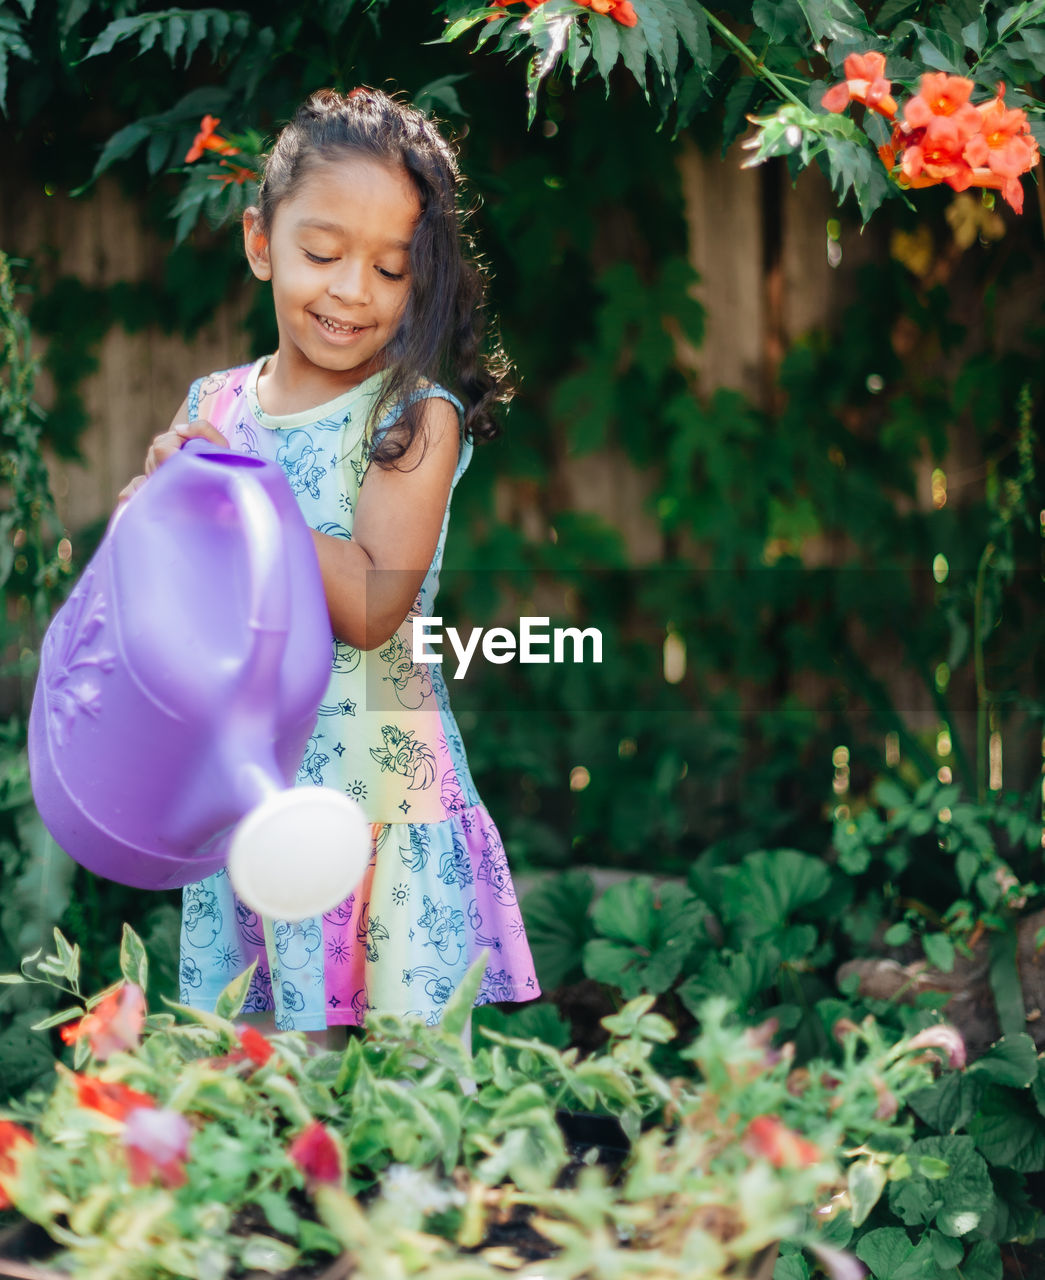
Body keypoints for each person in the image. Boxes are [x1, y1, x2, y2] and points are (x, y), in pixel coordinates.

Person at [127, 87, 540, 1038]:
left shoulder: (414, 415)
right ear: (260, 242)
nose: (353, 290)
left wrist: (242, 492)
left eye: (391, 269)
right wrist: (160, 503)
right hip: (252, 797)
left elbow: (368, 604)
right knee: (265, 1078)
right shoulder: (217, 406)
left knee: (399, 1103)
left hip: (377, 802)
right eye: (322, 254)